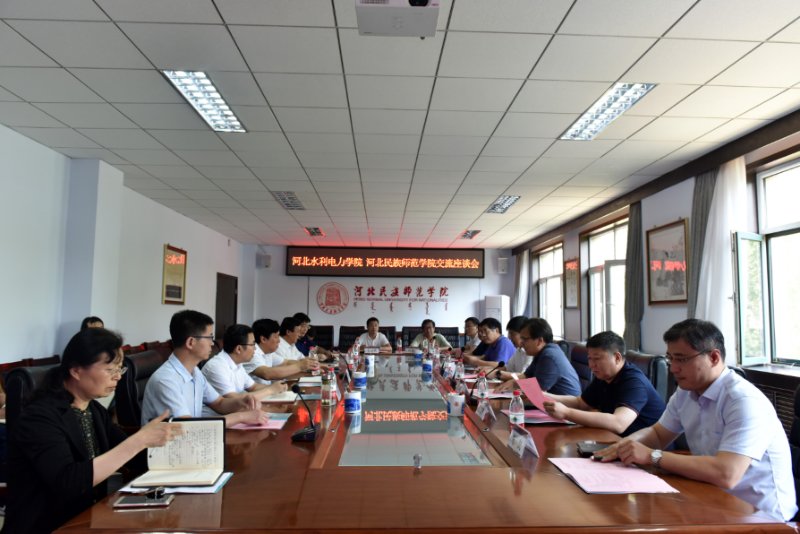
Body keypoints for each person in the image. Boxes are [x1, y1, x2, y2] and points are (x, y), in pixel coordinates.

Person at [597, 319, 797, 522]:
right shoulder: (685, 392)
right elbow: (657, 434)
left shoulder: (743, 400)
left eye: (681, 359)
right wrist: (622, 447)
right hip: (713, 497)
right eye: (670, 359)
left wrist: (653, 456)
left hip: (763, 516)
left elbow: (727, 473)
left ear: (714, 357)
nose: (673, 368)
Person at [4, 328, 182, 534]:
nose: (118, 377)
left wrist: (173, 450)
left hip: (89, 517)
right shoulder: (39, 418)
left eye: (120, 369)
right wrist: (138, 441)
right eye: (110, 370)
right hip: (48, 525)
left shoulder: (93, 409)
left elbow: (134, 457)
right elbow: (68, 482)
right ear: (76, 371)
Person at [140, 310, 268, 428]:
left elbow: (219, 403)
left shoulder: (195, 372)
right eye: (209, 337)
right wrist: (240, 417)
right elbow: (188, 427)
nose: (212, 343)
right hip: (172, 443)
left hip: (193, 440)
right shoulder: (166, 380)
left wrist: (241, 401)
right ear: (191, 342)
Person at [543, 331, 665, 436]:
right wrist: (544, 395)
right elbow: (581, 403)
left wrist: (566, 413)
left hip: (648, 449)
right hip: (617, 440)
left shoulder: (634, 382)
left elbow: (618, 423)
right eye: (589, 359)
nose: (591, 365)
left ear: (617, 358)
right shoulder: (604, 376)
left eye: (597, 359)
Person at [202, 324, 288, 402]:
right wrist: (270, 390)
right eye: (252, 344)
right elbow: (234, 399)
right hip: (221, 414)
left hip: (238, 411)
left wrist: (277, 388)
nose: (255, 348)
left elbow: (253, 387)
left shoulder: (237, 363)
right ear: (239, 349)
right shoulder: (217, 366)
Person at [496, 318, 581, 396]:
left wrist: (514, 385)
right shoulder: (541, 353)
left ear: (539, 341)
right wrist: (511, 382)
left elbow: (537, 391)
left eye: (525, 339)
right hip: (551, 403)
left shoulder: (549, 356)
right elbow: (526, 376)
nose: (521, 343)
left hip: (565, 405)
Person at [244, 318, 318, 385]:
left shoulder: (268, 353)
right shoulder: (252, 353)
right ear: (263, 339)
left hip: (266, 392)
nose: (279, 340)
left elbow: (286, 362)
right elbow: (266, 373)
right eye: (276, 337)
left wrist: (307, 370)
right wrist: (300, 366)